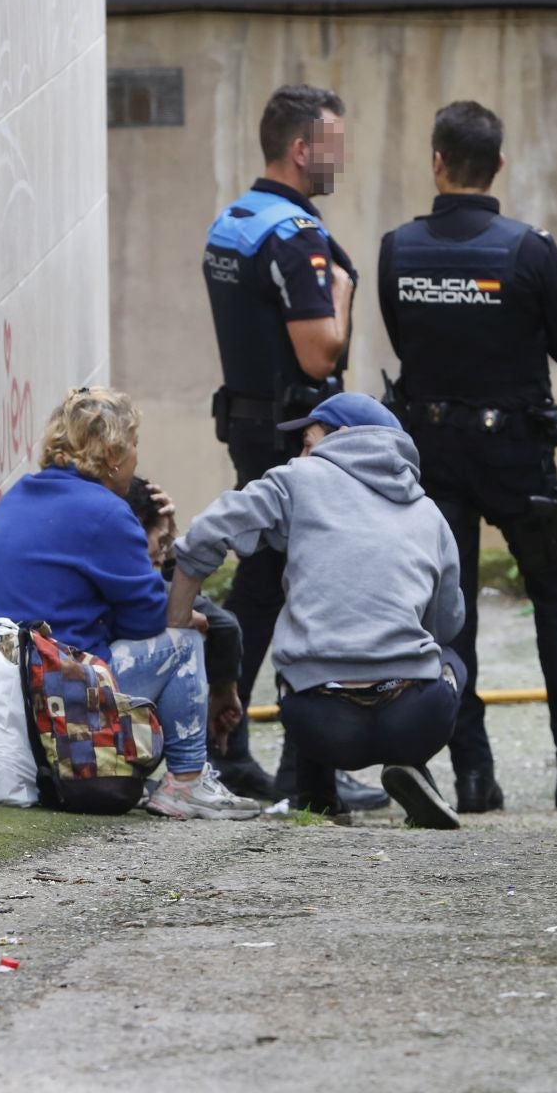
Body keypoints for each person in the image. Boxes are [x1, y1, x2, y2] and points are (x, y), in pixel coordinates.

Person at [376, 100, 557, 814]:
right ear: (499, 164)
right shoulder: (528, 250)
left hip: (433, 454)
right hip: (517, 456)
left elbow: (406, 343)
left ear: (436, 161)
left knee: (449, 612)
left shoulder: (397, 250)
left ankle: (472, 774)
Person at [200, 83, 387, 812]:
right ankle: (305, 769)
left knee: (263, 583)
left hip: (250, 425)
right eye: (334, 143)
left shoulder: (235, 221)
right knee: (305, 590)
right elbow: (319, 354)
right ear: (303, 149)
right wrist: (340, 287)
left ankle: (228, 748)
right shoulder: (295, 237)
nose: (341, 157)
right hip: (291, 438)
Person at [169, 393, 467, 829]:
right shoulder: (428, 512)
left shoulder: (297, 479)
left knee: (303, 659)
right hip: (413, 717)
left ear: (346, 438)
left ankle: (317, 794)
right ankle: (410, 764)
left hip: (322, 722)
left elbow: (208, 531)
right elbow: (447, 622)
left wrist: (176, 620)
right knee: (451, 661)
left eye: (309, 442)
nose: (303, 455)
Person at [0, 388, 258, 821]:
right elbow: (151, 620)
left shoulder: (22, 493)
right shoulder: (105, 511)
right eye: (134, 444)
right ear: (115, 453)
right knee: (182, 639)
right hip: (49, 694)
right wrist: (188, 612)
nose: (138, 456)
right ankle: (188, 783)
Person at [124, 475, 245, 741]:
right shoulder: (125, 577)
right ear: (133, 531)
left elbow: (184, 601)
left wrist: (169, 541)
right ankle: (187, 773)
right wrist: (224, 693)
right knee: (187, 636)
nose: (159, 557)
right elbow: (218, 623)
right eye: (160, 542)